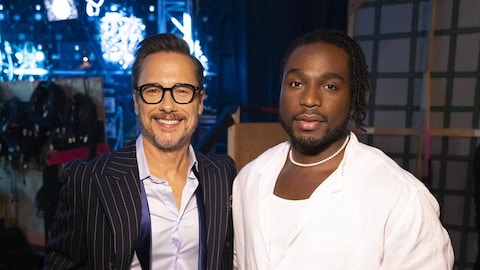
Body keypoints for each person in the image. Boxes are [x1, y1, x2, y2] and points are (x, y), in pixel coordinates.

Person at [232, 30, 454, 269]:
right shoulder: (249, 178)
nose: (309, 99)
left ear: (353, 98)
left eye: (329, 86)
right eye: (296, 83)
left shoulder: (399, 196)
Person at [43, 33, 237, 270]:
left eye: (183, 91)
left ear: (199, 101)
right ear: (136, 100)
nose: (168, 106)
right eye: (153, 90)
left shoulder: (223, 175)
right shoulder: (89, 180)